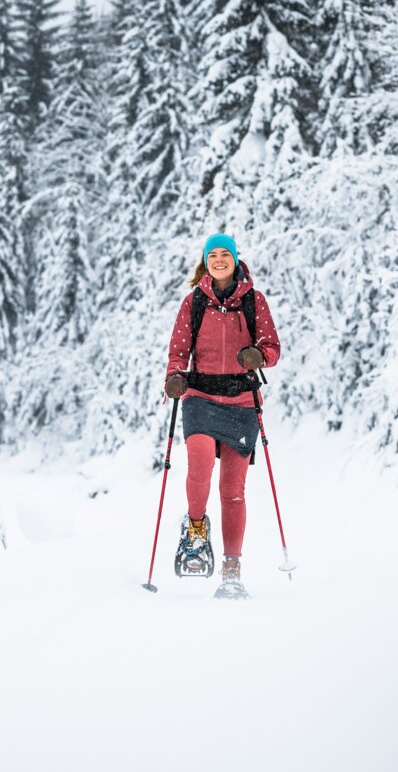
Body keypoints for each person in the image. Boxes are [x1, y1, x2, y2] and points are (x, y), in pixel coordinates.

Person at [165, 233, 280, 598]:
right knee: (198, 465)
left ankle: (232, 568)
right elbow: (178, 350)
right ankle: (196, 530)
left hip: (242, 400)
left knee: (233, 491)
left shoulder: (254, 301)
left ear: (234, 259)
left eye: (224, 254)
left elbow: (272, 346)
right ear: (205, 261)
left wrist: (259, 357)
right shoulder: (194, 302)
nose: (218, 260)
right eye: (212, 255)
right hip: (200, 396)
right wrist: (174, 376)